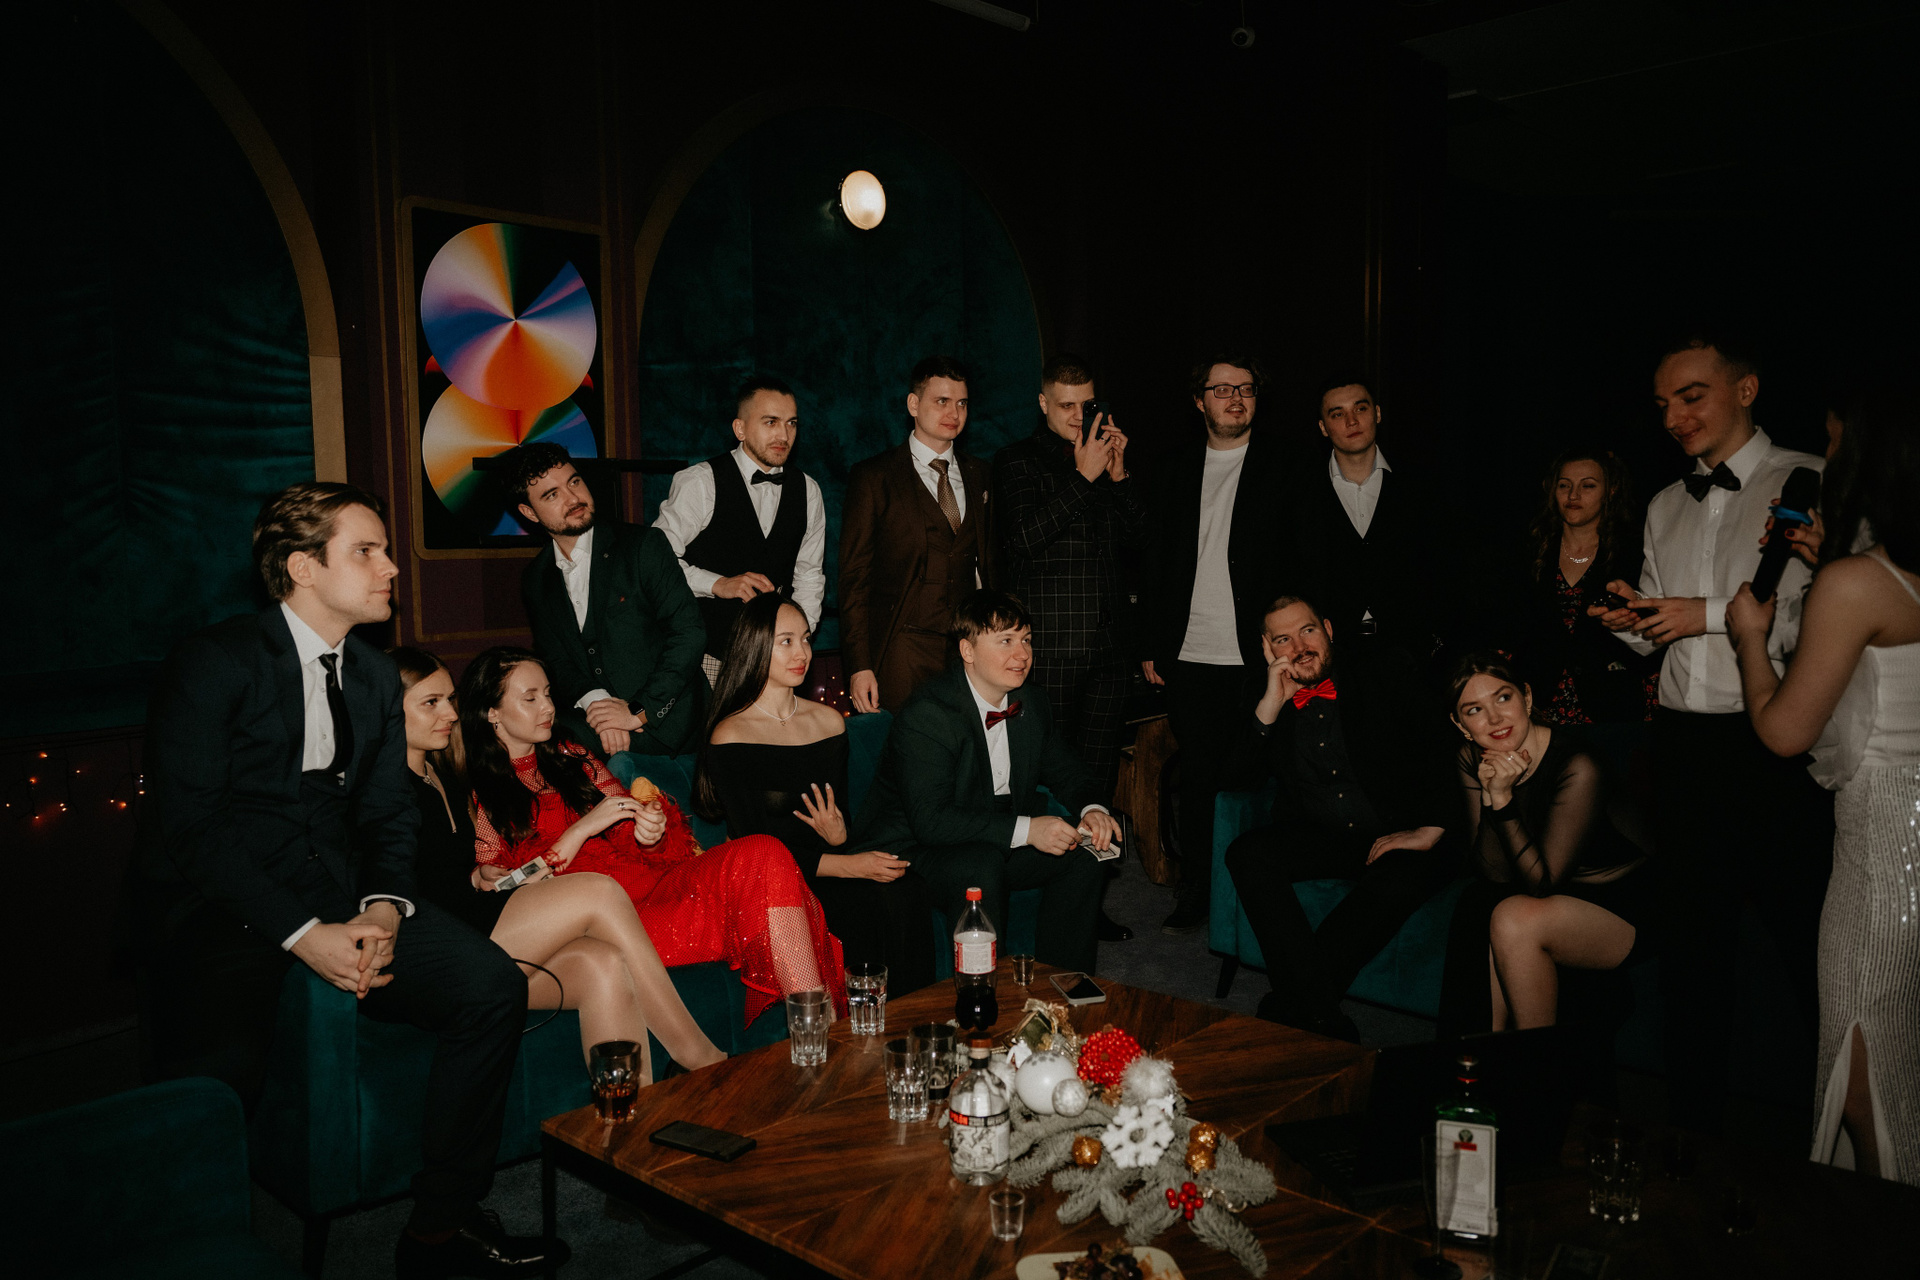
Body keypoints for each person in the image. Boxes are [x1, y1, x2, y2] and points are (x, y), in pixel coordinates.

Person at [134, 482, 563, 1277]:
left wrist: (386, 908)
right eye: (366, 551)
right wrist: (303, 936)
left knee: (491, 986)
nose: (391, 567)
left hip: (340, 891)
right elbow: (194, 829)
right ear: (302, 567)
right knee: (215, 1083)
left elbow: (387, 815)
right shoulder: (215, 661)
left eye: (386, 550)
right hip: (219, 905)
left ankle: (439, 1231)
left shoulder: (369, 675)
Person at [1587, 330, 1833, 1137]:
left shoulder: (1810, 478)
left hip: (1774, 748)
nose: (1674, 417)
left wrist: (1706, 614)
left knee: (1808, 952)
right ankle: (1690, 1144)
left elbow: (1827, 621)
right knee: (1694, 959)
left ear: (1746, 389)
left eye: (1691, 396)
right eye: (1663, 403)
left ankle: (1844, 1149)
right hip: (1683, 747)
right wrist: (1634, 618)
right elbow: (1662, 628)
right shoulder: (1665, 503)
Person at [1728, 393, 1920, 1184]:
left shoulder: (1855, 585)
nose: (1827, 461)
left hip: (1883, 854)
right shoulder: (1886, 575)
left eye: (1836, 446)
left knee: (1864, 1082)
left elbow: (1785, 731)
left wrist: (1750, 641)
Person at [457, 646, 844, 1027]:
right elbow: (507, 893)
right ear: (492, 712)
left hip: (658, 886)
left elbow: (629, 819)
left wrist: (651, 830)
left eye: (547, 693)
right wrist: (580, 831)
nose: (547, 707)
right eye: (530, 698)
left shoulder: (570, 754)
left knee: (764, 850)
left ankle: (816, 1025)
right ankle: (817, 1034)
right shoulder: (479, 792)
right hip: (613, 924)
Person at [391, 646, 729, 1079]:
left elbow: (467, 878)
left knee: (604, 964)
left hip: (482, 923)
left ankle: (633, 1112)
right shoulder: (395, 787)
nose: (451, 714)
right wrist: (580, 830)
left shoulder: (444, 775)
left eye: (450, 700)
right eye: (431, 703)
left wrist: (477, 876)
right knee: (597, 890)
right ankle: (700, 1059)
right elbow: (403, 887)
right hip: (444, 947)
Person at [1221, 596, 1457, 1042]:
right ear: (1268, 648)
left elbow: (1443, 747)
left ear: (1328, 629)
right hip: (1326, 833)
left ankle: (1293, 1006)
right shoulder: (1263, 690)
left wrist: (1432, 828)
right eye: (1283, 639)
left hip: (1398, 831)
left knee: (1395, 883)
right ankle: (1321, 1013)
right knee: (1247, 854)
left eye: (1308, 630)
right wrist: (1271, 705)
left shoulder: (1384, 671)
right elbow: (1235, 779)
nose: (1299, 647)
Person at [849, 589, 1120, 976]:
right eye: (1006, 641)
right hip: (915, 848)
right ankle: (985, 996)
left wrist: (1092, 810)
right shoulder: (929, 714)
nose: (1022, 654)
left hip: (991, 832)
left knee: (1084, 853)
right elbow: (932, 821)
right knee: (980, 863)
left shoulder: (1030, 702)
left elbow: (1067, 771)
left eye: (1026, 639)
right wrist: (1028, 830)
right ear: (968, 650)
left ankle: (1061, 986)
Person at [693, 593, 936, 994]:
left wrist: (840, 834)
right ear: (755, 647)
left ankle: (917, 1019)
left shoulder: (828, 722)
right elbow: (756, 848)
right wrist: (851, 865)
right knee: (869, 902)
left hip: (830, 865)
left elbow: (839, 822)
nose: (802, 652)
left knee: (907, 888)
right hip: (776, 887)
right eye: (786, 641)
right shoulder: (731, 734)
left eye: (805, 639)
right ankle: (864, 1020)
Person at [992, 353, 1148, 943]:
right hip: (1049, 652)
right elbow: (1022, 540)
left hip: (1108, 653)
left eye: (1087, 405)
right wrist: (1082, 477)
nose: (1079, 416)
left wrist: (1119, 477)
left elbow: (1140, 543)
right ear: (1042, 403)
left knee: (1097, 782)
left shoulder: (1104, 457)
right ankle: (1040, 895)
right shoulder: (1017, 461)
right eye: (1066, 406)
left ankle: (1089, 897)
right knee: (1047, 776)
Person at [1141, 353, 1294, 933]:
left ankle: (1256, 890)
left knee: (1265, 773)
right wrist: (1151, 643)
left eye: (1245, 389)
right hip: (1192, 654)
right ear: (1199, 400)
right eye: (1222, 389)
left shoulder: (1286, 465)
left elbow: (1306, 556)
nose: (1235, 398)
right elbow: (1155, 561)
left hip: (1263, 655)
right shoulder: (1173, 468)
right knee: (1201, 778)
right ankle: (1199, 889)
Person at [1439, 652, 1654, 1035]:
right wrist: (1490, 793)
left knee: (1514, 919)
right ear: (1460, 724)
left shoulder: (1579, 765)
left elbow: (1542, 885)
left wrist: (1502, 799)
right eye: (1474, 710)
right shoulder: (1471, 757)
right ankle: (1478, 1056)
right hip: (1556, 890)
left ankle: (1536, 1062)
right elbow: (1491, 872)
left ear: (1526, 697)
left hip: (1625, 899)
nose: (1494, 719)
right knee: (1477, 904)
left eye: (1503, 698)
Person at [503, 442, 706, 759]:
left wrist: (637, 711)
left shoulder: (642, 546)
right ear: (529, 512)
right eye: (552, 495)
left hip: (669, 727)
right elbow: (556, 659)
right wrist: (597, 704)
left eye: (574, 482)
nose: (573, 498)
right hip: (595, 725)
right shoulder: (536, 578)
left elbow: (689, 634)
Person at [839, 354, 996, 714]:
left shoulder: (982, 475)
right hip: (901, 648)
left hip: (968, 649)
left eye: (962, 403)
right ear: (913, 404)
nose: (954, 413)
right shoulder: (874, 477)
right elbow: (854, 579)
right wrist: (859, 665)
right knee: (907, 744)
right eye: (942, 401)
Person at [650, 375, 828, 673]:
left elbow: (809, 575)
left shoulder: (808, 490)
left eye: (791, 423)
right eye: (770, 422)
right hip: (707, 655)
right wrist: (716, 583)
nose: (783, 435)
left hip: (774, 662)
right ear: (740, 429)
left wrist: (797, 638)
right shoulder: (700, 482)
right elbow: (654, 564)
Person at [1290, 372, 1443, 667]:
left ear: (1377, 413)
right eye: (1338, 414)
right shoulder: (1301, 492)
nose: (1352, 421)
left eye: (1360, 408)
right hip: (1332, 655)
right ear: (1323, 427)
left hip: (1412, 652)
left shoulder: (1420, 485)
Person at [1514, 449, 1661, 731]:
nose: (1573, 495)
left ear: (1611, 491)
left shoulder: (1636, 552)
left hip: (1613, 703)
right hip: (1538, 703)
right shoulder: (1531, 549)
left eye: (1588, 485)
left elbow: (1653, 627)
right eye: (1564, 485)